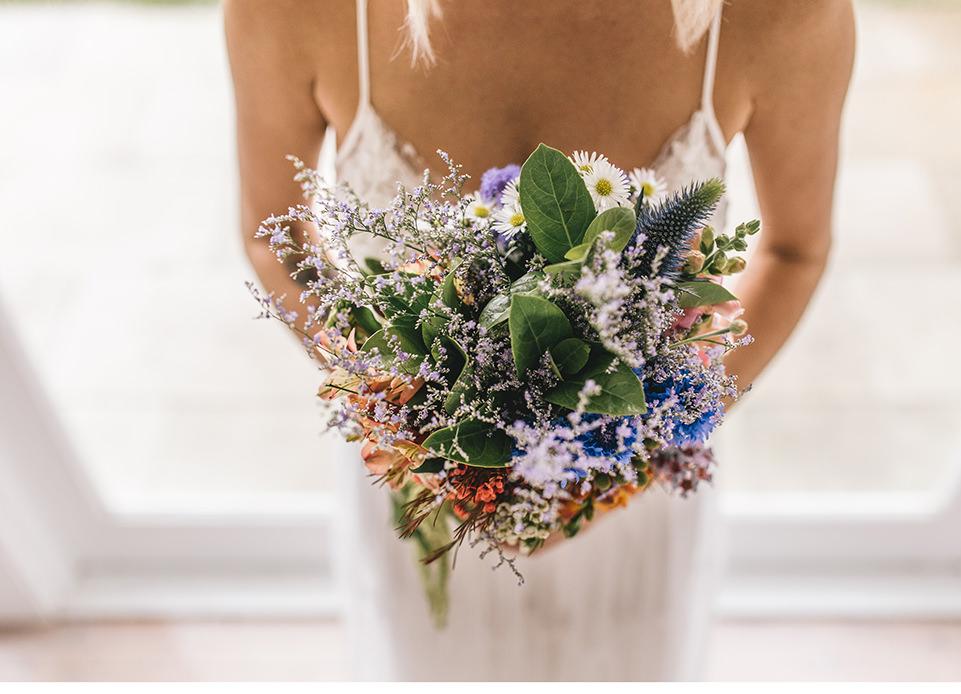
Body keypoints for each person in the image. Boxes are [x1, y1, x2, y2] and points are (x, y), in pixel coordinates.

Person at [226, 0, 854, 680]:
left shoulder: (781, 13)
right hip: (423, 503)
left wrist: (635, 454)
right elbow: (274, 238)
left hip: (636, 505)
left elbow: (794, 251)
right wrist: (397, 412)